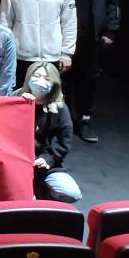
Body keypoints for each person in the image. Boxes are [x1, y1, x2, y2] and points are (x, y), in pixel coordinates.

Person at [50, 0, 121, 143]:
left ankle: (84, 120)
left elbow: (113, 2)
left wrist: (110, 30)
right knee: (60, 80)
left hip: (91, 36)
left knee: (88, 80)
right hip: (61, 35)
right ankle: (60, 122)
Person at [0, 0, 77, 90]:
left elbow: (69, 23)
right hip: (21, 56)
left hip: (52, 56)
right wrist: (4, 52)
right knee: (22, 96)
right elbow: (5, 21)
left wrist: (66, 53)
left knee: (50, 97)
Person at [20, 61, 81, 203]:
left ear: (54, 83)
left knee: (72, 193)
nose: (40, 81)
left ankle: (44, 195)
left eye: (46, 78)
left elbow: (64, 142)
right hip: (18, 161)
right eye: (37, 76)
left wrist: (48, 159)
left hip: (44, 164)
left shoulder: (59, 108)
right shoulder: (16, 98)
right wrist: (21, 105)